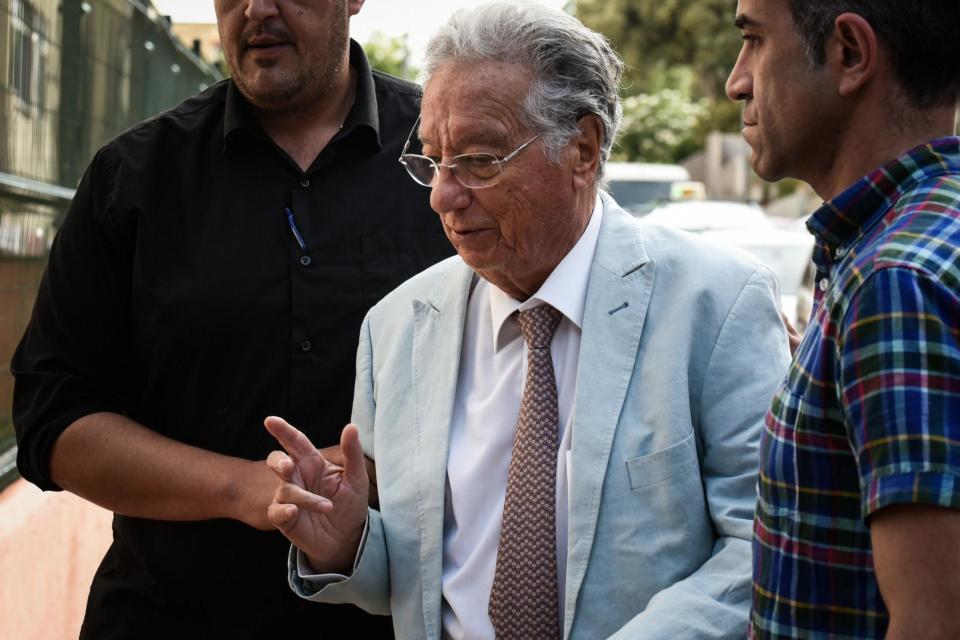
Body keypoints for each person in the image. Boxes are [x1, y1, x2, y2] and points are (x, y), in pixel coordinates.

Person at [264, 4, 791, 638]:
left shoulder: (716, 304)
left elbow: (761, 545)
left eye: (480, 161)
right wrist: (346, 543)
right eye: (431, 160)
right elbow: (423, 581)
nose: (442, 196)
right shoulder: (397, 328)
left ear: (583, 150)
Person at [11, 0, 453, 637]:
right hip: (166, 618)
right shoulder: (132, 177)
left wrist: (390, 474)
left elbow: (531, 368)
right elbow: (52, 419)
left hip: (394, 617)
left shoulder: (454, 163)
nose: (256, 10)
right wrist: (249, 489)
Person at [726, 1, 960, 638]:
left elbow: (933, 621)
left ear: (850, 54)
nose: (736, 80)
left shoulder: (892, 285)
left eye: (753, 39)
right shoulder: (924, 238)